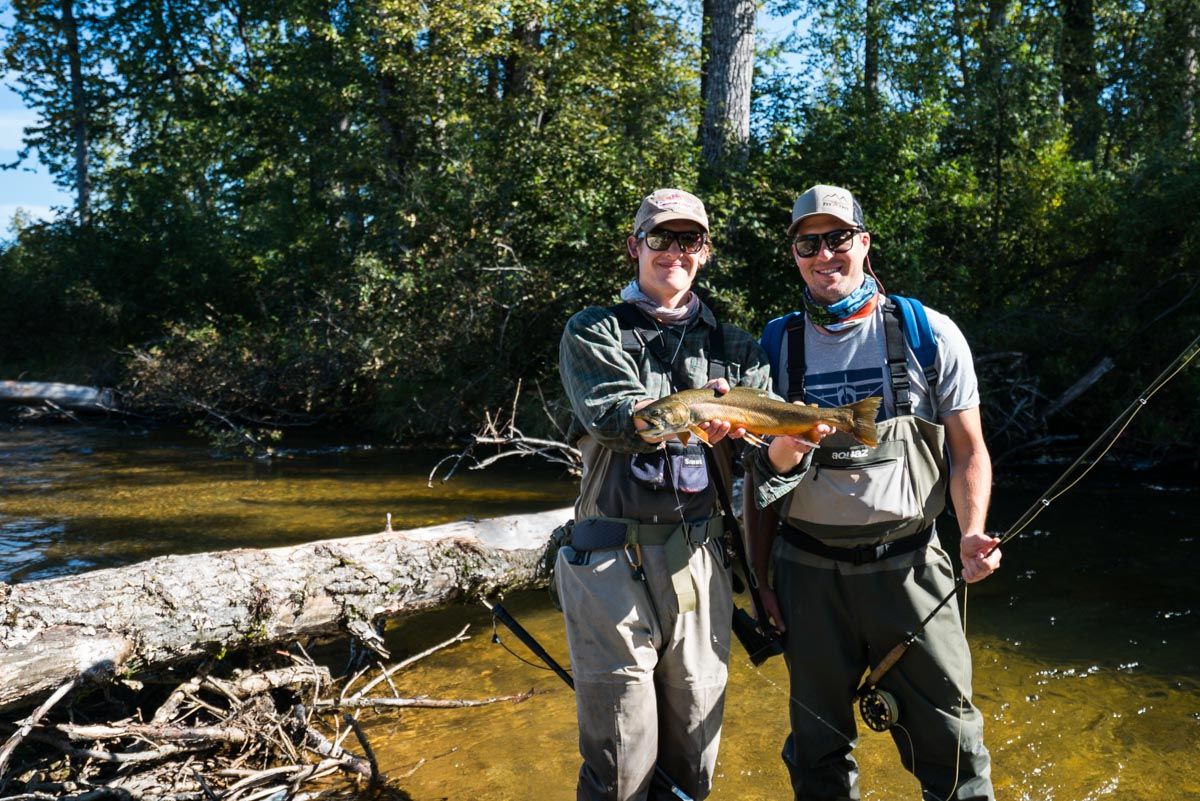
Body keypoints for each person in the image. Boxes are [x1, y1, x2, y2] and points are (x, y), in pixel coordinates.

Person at [744, 184, 1002, 801]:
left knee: (953, 746)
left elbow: (969, 451)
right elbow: (758, 479)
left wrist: (971, 532)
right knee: (817, 751)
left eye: (837, 238)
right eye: (809, 243)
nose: (824, 255)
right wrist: (759, 580)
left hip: (911, 568)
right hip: (806, 574)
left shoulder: (927, 332)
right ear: (794, 254)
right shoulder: (773, 345)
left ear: (863, 243)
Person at [555, 188, 772, 801]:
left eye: (689, 240)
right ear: (635, 247)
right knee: (622, 758)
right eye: (660, 238)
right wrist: (696, 414)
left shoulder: (737, 346)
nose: (674, 251)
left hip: (700, 559)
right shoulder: (593, 329)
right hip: (608, 560)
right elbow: (615, 419)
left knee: (695, 757)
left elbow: (763, 460)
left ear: (704, 252)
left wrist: (785, 439)